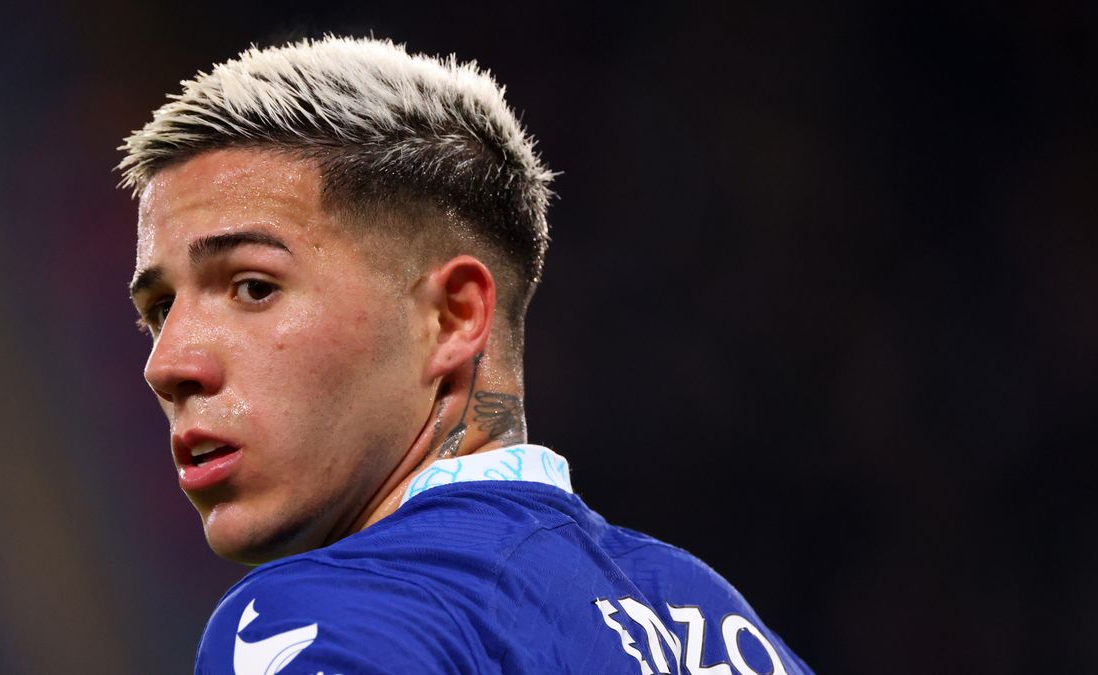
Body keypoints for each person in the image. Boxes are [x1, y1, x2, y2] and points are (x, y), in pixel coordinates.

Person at [120, 35, 815, 675]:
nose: (168, 363)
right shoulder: (730, 630)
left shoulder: (315, 619)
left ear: (452, 317)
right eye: (159, 310)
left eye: (253, 287)